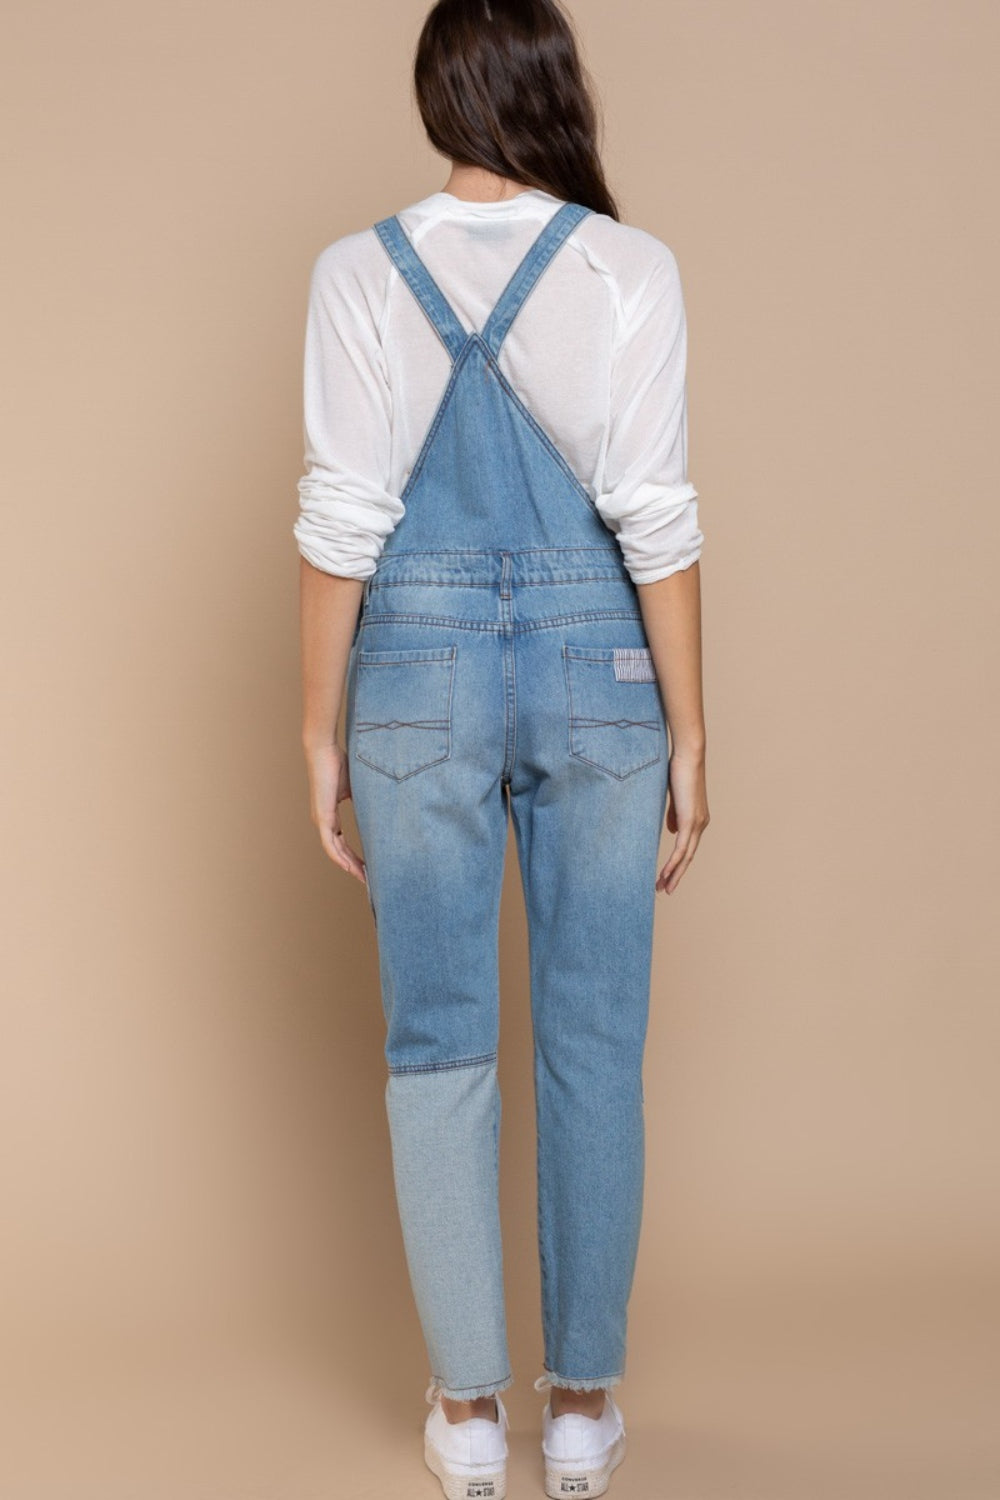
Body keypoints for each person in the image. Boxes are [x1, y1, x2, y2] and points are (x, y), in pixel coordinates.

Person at [294, 1, 710, 1493]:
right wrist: (693, 727)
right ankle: (583, 1408)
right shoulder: (629, 268)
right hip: (604, 668)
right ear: (552, 88)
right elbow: (654, 511)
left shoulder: (357, 273)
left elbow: (343, 516)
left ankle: (469, 1420)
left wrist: (317, 729)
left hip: (413, 673)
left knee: (436, 1042)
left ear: (435, 95)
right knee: (596, 1041)